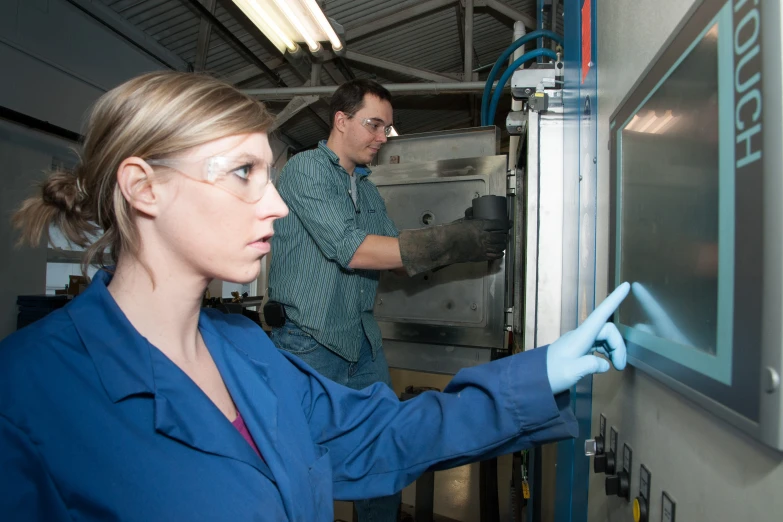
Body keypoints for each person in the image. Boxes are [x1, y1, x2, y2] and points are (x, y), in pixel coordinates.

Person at [0, 71, 630, 522]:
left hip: (354, 334)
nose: (275, 206)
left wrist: (539, 371)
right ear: (144, 188)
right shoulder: (26, 392)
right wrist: (457, 240)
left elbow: (380, 436)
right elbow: (357, 249)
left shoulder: (246, 352)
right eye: (244, 173)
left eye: (267, 174)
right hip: (317, 335)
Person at [267, 79, 510, 519]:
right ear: (341, 121)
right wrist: (451, 241)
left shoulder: (366, 186)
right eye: (373, 125)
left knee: (385, 459)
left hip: (362, 343)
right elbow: (353, 247)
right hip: (308, 346)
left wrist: (463, 232)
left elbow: (394, 253)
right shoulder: (306, 169)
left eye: (387, 129)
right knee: (302, 467)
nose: (382, 138)